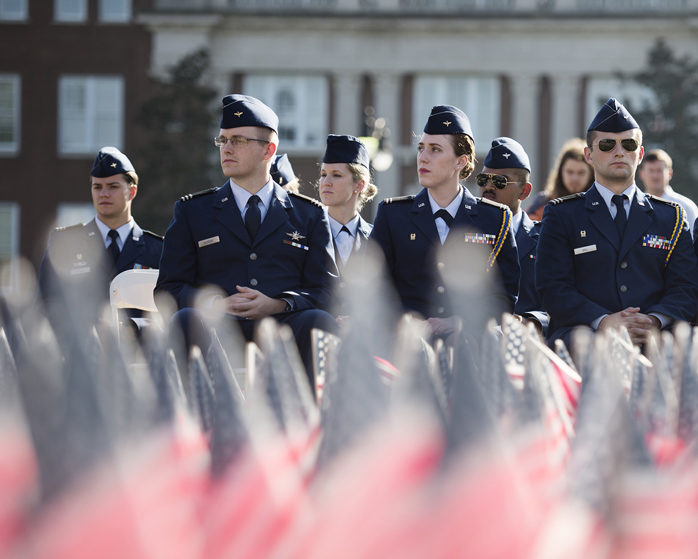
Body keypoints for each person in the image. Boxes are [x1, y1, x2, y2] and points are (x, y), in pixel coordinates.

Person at [155, 94, 338, 384]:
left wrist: (278, 304)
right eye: (223, 140)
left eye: (238, 140)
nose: (226, 148)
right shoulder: (193, 211)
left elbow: (326, 291)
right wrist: (215, 303)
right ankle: (190, 424)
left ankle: (311, 425)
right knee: (184, 320)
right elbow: (168, 288)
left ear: (269, 150)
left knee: (321, 323)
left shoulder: (309, 214)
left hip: (282, 327)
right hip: (215, 326)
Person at [536, 98, 698, 349]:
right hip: (586, 335)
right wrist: (603, 322)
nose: (619, 151)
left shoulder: (672, 217)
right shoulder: (562, 215)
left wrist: (654, 320)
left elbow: (685, 287)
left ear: (640, 153)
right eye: (607, 144)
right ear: (589, 155)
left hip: (656, 336)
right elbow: (553, 288)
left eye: (629, 144)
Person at [370, 105, 520, 337]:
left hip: (469, 342)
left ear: (460, 162)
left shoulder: (495, 218)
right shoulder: (393, 214)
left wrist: (462, 321)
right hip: (406, 343)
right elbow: (377, 285)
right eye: (421, 148)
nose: (423, 157)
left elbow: (504, 295)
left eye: (435, 149)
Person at [38, 147, 163, 334]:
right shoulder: (65, 244)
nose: (103, 194)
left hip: (137, 357)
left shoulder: (158, 249)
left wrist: (133, 327)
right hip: (79, 354)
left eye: (113, 187)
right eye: (97, 187)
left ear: (132, 191)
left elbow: (168, 311)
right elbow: (45, 304)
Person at [477, 137, 548, 336]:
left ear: (524, 191)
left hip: (528, 347)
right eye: (483, 180)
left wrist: (531, 322)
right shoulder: (464, 233)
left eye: (500, 181)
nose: (488, 187)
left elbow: (562, 301)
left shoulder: (545, 240)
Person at [526, 138, 594, 221]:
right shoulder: (543, 201)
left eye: (581, 173)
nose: (575, 178)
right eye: (570, 172)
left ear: (591, 174)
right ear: (561, 173)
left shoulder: (601, 203)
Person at [637, 149, 698, 239]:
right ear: (641, 174)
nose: (655, 176)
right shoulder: (634, 206)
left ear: (670, 173)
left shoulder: (686, 207)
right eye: (651, 170)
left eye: (659, 170)